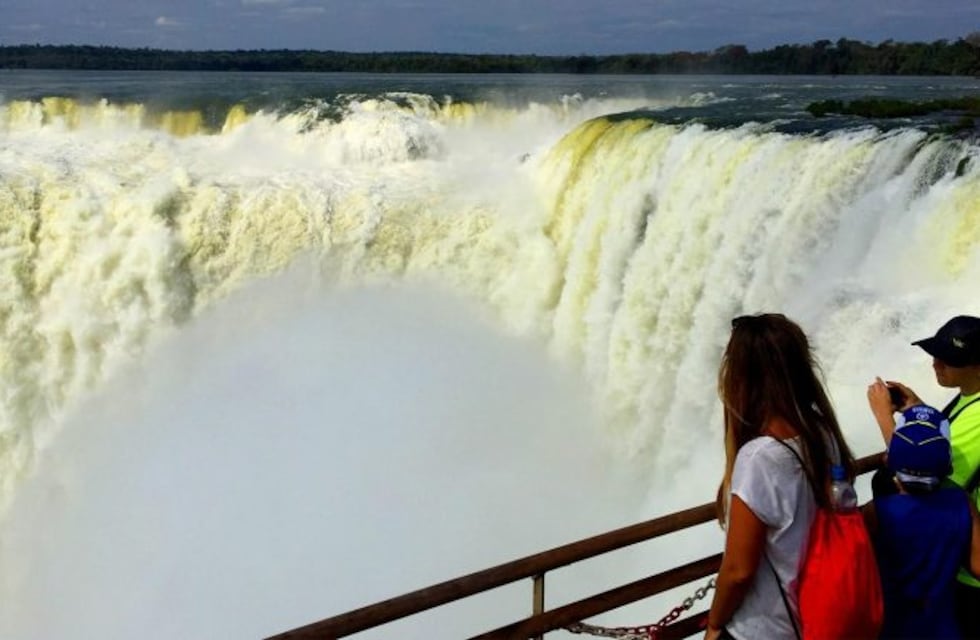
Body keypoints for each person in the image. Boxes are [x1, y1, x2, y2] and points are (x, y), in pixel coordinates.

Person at [705, 313, 857, 640]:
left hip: (765, 628)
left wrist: (714, 623)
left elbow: (738, 571)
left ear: (742, 378)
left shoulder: (759, 458)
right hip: (818, 614)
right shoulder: (821, 432)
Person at [872, 315, 980, 636]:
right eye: (935, 353)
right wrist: (916, 410)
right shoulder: (969, 395)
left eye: (949, 358)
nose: (936, 363)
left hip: (965, 569)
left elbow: (922, 471)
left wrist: (883, 419)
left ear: (977, 365)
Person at [863, 403, 980, 639]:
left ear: (892, 462)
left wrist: (860, 465)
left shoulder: (877, 512)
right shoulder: (961, 504)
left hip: (892, 630)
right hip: (944, 630)